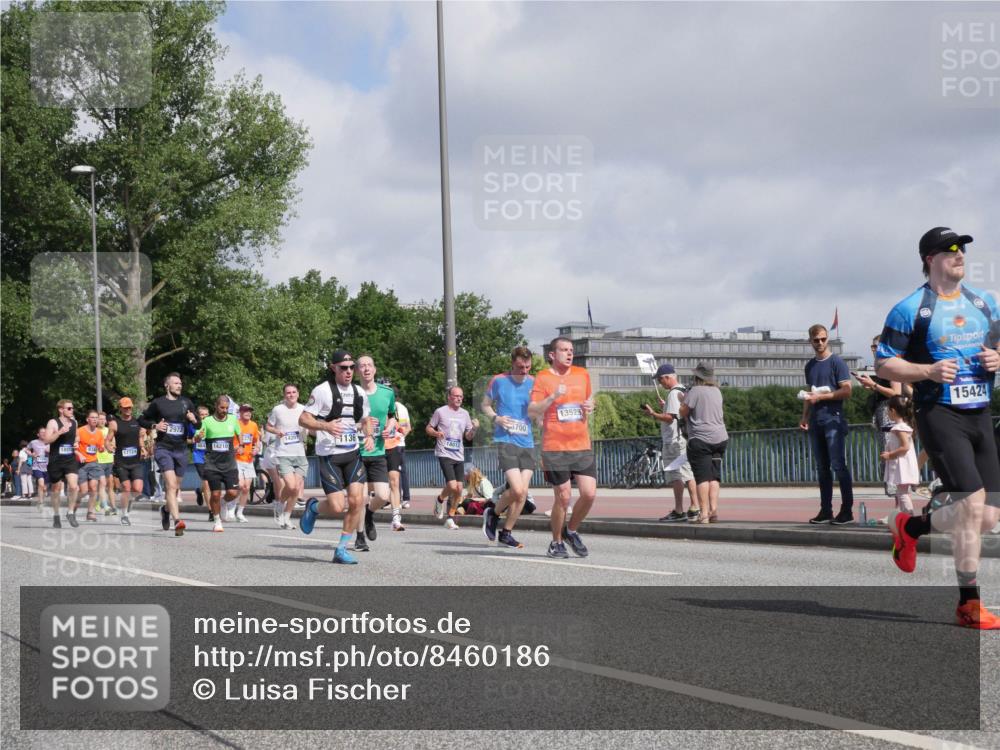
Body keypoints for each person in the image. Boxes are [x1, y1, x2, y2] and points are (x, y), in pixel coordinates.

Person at [876, 226, 1000, 628]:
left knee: (988, 517)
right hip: (939, 414)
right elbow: (884, 364)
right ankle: (968, 603)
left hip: (980, 413)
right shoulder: (911, 309)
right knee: (971, 502)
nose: (959, 254)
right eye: (950, 249)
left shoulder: (985, 302)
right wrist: (927, 370)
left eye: (963, 248)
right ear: (930, 259)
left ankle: (910, 526)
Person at [298, 349, 374, 565]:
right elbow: (303, 419)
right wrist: (325, 425)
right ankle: (313, 507)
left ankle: (341, 549)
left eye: (352, 368)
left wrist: (368, 435)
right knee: (337, 506)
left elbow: (367, 419)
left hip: (352, 453)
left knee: (357, 501)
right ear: (333, 368)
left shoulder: (360, 392)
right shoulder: (322, 391)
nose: (349, 372)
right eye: (344, 368)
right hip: (329, 455)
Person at [528, 336, 596, 558]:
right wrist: (553, 397)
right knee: (564, 497)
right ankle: (556, 542)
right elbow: (532, 411)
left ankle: (571, 530)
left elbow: (588, 401)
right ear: (552, 354)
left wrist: (590, 405)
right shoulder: (543, 378)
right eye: (564, 350)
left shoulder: (581, 374)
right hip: (555, 446)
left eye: (571, 350)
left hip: (581, 444)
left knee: (589, 494)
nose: (569, 353)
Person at [800, 323, 855, 525]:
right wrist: (805, 416)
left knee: (838, 465)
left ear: (827, 339)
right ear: (810, 341)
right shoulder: (810, 366)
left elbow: (847, 390)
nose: (820, 343)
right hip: (816, 421)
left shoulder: (837, 363)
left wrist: (823, 397)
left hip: (833, 419)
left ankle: (847, 510)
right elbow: (809, 393)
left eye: (823, 339)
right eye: (816, 340)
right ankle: (826, 510)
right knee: (822, 467)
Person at [480, 346, 535, 548]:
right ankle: (493, 513)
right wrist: (496, 418)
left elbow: (537, 411)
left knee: (522, 492)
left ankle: (506, 533)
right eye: (520, 367)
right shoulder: (499, 380)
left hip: (527, 442)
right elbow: (485, 405)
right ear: (512, 363)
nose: (524, 371)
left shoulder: (533, 382)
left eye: (528, 367)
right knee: (518, 489)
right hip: (506, 441)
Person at [137, 372, 201, 536]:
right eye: (176, 383)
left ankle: (165, 510)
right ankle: (177, 520)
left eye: (180, 383)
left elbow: (198, 423)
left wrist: (194, 420)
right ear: (167, 385)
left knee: (176, 487)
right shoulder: (158, 403)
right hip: (163, 448)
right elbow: (141, 420)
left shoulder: (187, 402)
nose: (179, 386)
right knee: (171, 486)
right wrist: (154, 426)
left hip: (181, 449)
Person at [643, 363, 700, 523]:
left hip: (674, 441)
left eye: (661, 380)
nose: (661, 384)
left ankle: (679, 510)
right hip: (684, 439)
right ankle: (695, 507)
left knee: (677, 475)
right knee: (688, 474)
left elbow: (670, 418)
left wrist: (653, 414)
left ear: (667, 377)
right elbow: (677, 413)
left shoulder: (673, 394)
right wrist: (665, 407)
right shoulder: (683, 391)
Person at [356, 357, 398, 548]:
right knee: (361, 497)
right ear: (357, 371)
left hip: (378, 451)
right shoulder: (352, 394)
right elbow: (342, 422)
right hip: (356, 452)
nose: (366, 369)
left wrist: (390, 427)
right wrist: (361, 426)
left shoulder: (387, 393)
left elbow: (392, 417)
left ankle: (369, 515)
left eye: (369, 365)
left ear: (375, 369)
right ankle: (359, 537)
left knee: (382, 496)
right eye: (362, 366)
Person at [680, 362, 729, 524]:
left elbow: (683, 412)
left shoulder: (695, 391)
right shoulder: (717, 391)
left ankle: (704, 514)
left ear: (697, 377)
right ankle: (714, 511)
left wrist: (683, 400)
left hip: (701, 439)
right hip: (720, 438)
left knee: (702, 478)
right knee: (714, 476)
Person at [426, 386, 479, 530]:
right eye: (456, 396)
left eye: (461, 396)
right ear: (449, 397)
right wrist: (436, 434)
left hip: (458, 454)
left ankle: (450, 517)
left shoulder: (465, 414)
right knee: (452, 485)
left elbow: (468, 436)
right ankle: (439, 500)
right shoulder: (440, 412)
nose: (459, 399)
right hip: (444, 452)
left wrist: (474, 428)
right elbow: (429, 428)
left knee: (459, 488)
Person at [858, 334, 904, 497]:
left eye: (877, 346)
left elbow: (896, 392)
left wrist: (874, 385)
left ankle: (896, 492)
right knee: (885, 450)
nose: (874, 350)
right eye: (872, 346)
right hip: (882, 411)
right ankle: (894, 495)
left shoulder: (890, 366)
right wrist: (872, 386)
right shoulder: (880, 366)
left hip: (888, 412)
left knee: (889, 449)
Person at [198, 395, 243, 533]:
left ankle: (223, 503)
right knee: (215, 494)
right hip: (212, 464)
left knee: (233, 492)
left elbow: (239, 432)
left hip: (229, 463)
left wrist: (241, 444)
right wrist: (198, 437)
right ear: (216, 406)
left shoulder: (233, 419)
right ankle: (217, 521)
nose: (224, 410)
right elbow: (198, 435)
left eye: (226, 408)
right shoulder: (207, 421)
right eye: (221, 407)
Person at [265, 384, 306, 531]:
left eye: (294, 392)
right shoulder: (278, 409)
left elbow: (312, 426)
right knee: (291, 486)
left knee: (295, 490)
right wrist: (276, 431)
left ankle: (287, 517)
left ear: (298, 393)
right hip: (283, 452)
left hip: (300, 453)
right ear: (284, 395)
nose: (291, 394)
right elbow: (267, 426)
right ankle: (279, 504)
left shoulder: (304, 409)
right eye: (288, 392)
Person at [105, 397, 146, 526]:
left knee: (138, 489)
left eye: (130, 407)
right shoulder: (114, 423)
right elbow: (107, 440)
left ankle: (127, 503)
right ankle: (124, 515)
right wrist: (109, 446)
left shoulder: (137, 423)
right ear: (120, 408)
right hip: (121, 461)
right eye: (125, 407)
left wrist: (143, 448)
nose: (128, 410)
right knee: (127, 488)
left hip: (135, 461)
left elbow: (140, 439)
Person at [43, 399, 81, 528]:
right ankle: (56, 515)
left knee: (74, 486)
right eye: (69, 408)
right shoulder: (53, 422)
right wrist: (59, 432)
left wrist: (76, 442)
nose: (72, 410)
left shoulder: (74, 422)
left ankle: (70, 512)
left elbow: (76, 437)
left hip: (70, 459)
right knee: (56, 489)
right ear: (61, 409)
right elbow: (47, 440)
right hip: (56, 460)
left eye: (72, 408)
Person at [880, 395, 919, 514]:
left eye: (888, 410)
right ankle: (904, 517)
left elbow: (905, 447)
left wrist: (890, 455)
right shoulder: (904, 426)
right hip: (904, 464)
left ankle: (909, 517)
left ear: (892, 410)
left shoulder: (899, 428)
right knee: (902, 492)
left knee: (902, 493)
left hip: (902, 465)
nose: (887, 412)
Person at [384, 395, 411, 527]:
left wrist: (400, 435)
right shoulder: (375, 404)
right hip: (382, 446)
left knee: (397, 476)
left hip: (397, 445)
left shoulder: (401, 408)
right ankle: (398, 500)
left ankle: (401, 504)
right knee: (395, 476)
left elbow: (407, 427)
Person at [76, 410, 105, 522]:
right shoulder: (80, 431)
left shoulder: (99, 433)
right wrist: (78, 454)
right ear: (87, 419)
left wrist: (102, 449)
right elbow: (73, 447)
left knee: (93, 488)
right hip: (81, 464)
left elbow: (100, 447)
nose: (95, 420)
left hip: (93, 462)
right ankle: (74, 504)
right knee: (83, 491)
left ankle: (90, 512)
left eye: (96, 418)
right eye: (92, 417)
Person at [233, 404, 261, 523]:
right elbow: (228, 440)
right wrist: (235, 448)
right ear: (240, 412)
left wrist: (256, 448)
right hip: (236, 459)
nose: (248, 413)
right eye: (245, 411)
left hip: (249, 460)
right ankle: (230, 506)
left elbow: (257, 440)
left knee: (246, 488)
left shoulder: (253, 425)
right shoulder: (235, 424)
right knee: (240, 485)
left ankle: (240, 512)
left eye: (250, 411)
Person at [187, 405, 210, 512]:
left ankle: (199, 490)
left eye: (206, 414)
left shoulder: (211, 425)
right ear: (198, 416)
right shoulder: (193, 426)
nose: (204, 417)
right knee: (206, 482)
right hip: (199, 457)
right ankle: (211, 511)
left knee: (210, 484)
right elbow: (186, 440)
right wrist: (193, 440)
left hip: (211, 457)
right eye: (202, 415)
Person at [96, 412, 115, 515]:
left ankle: (100, 502)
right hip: (98, 460)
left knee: (108, 484)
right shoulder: (94, 431)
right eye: (100, 419)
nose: (102, 421)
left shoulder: (109, 431)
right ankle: (105, 505)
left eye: (104, 419)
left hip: (109, 460)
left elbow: (113, 444)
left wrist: (112, 449)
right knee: (102, 484)